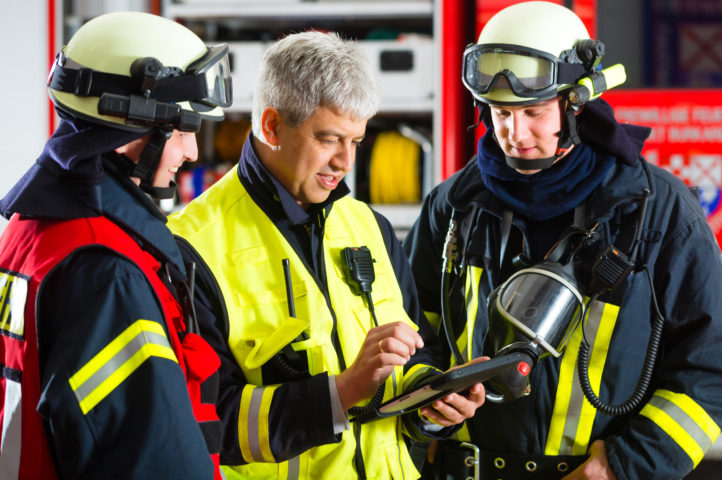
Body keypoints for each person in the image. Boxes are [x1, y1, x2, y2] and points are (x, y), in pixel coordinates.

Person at [403, 2, 722, 479]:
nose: (513, 133)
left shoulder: (656, 210)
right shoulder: (454, 206)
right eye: (499, 112)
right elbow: (411, 329)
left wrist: (620, 468)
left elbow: (711, 363)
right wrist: (424, 394)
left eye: (532, 111)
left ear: (576, 103)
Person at [167, 31, 486, 479]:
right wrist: (342, 392)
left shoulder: (369, 227)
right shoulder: (190, 247)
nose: (345, 161)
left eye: (356, 141)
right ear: (272, 125)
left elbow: (417, 356)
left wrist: (432, 401)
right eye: (329, 139)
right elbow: (207, 423)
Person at [0, 12, 234, 479]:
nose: (190, 152)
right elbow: (153, 457)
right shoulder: (107, 274)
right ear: (131, 129)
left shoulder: (29, 230)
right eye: (184, 130)